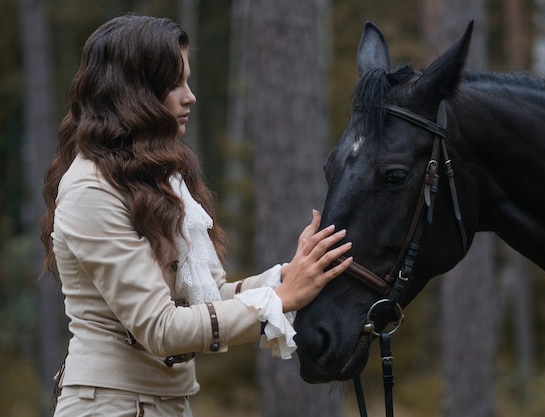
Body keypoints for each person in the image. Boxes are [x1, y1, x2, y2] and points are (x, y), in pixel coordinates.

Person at [41, 14, 352, 417]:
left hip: (157, 404)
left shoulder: (153, 181)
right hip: (111, 406)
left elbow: (203, 299)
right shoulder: (91, 192)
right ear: (133, 92)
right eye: (174, 84)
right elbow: (162, 327)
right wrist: (276, 300)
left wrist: (288, 277)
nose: (190, 96)